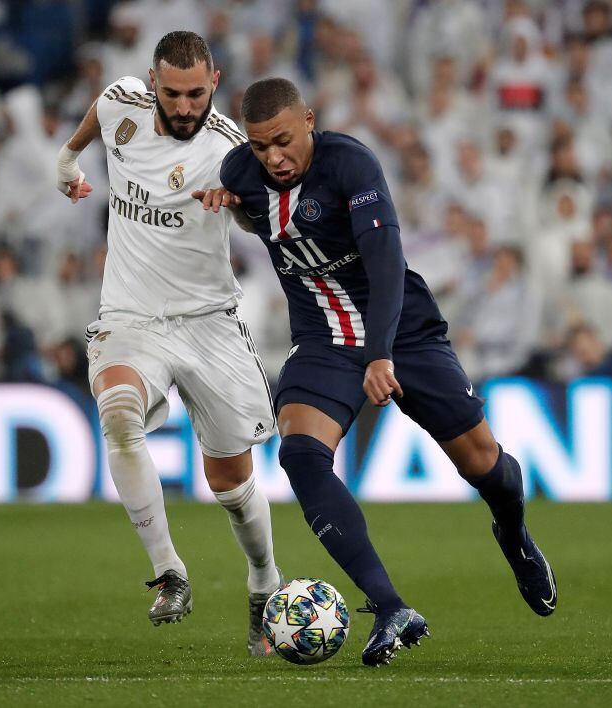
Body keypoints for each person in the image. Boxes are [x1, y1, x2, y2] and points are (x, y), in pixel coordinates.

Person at [197, 77, 557, 666]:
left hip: (401, 330)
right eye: (261, 147)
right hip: (322, 339)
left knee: (483, 463)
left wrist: (381, 353)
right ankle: (389, 606)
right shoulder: (241, 172)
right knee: (300, 453)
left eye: (283, 141)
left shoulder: (351, 166)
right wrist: (230, 207)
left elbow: (386, 264)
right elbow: (255, 216)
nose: (274, 158)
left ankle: (513, 535)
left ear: (309, 120)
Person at [54, 31, 280, 655]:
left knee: (231, 485)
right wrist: (67, 161)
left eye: (196, 94)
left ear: (216, 80)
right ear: (152, 82)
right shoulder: (121, 103)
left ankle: (264, 580)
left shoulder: (234, 148)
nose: (185, 107)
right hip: (131, 315)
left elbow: (264, 219)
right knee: (119, 415)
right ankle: (169, 572)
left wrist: (238, 206)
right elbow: (94, 120)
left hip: (209, 320)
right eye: (173, 94)